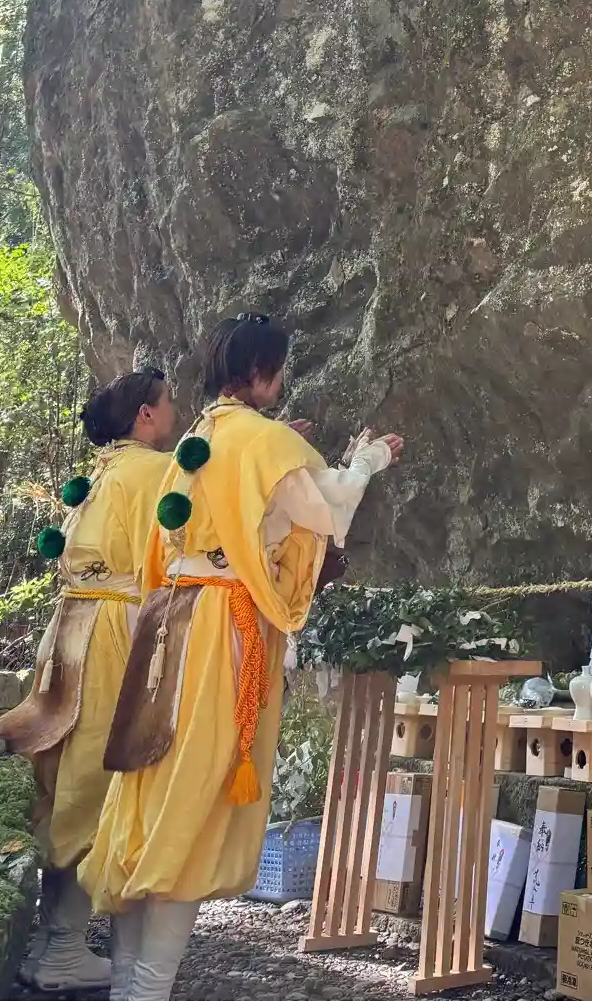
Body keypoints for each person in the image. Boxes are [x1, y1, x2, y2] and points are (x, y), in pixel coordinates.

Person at [80, 313, 401, 1002]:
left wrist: (287, 453)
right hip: (222, 630)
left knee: (151, 790)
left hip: (168, 622)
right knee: (192, 804)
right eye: (277, 369)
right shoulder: (263, 441)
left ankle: (129, 988)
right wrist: (369, 459)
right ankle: (146, 992)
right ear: (260, 370)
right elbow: (329, 508)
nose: (279, 381)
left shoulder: (199, 437)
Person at [0, 368, 178, 993]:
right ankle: (67, 947)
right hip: (114, 630)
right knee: (98, 775)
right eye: (168, 403)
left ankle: (55, 940)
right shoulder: (154, 471)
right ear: (145, 415)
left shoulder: (102, 471)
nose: (173, 412)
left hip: (71, 625)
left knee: (63, 773)